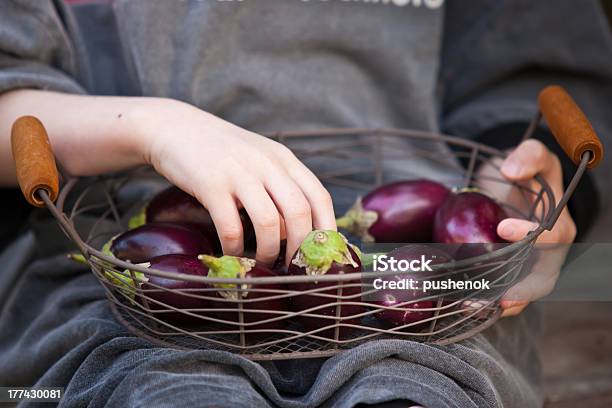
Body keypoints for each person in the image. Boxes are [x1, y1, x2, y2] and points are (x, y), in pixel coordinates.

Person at [0, 1, 609, 407]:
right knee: (169, 389)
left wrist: (508, 188)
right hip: (122, 272)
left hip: (414, 265)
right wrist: (150, 127)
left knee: (416, 387)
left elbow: (523, 74)